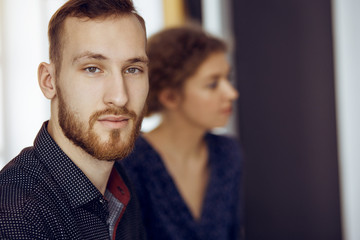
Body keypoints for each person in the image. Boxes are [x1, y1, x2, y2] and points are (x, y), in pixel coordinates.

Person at [0, 0, 148, 239]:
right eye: (92, 68)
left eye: (133, 69)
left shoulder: (119, 184)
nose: (120, 97)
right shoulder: (17, 216)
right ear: (49, 81)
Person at [121, 25, 244, 240]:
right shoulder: (130, 162)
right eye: (213, 84)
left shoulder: (228, 153)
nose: (232, 93)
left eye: (228, 79)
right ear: (170, 97)